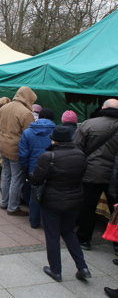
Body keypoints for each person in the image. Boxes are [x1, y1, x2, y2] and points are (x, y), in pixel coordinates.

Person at [29, 126, 91, 282]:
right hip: (75, 200)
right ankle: (82, 267)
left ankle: (56, 270)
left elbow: (36, 178)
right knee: (69, 232)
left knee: (52, 235)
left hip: (52, 201)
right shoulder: (80, 154)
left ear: (54, 140)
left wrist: (29, 176)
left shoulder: (48, 156)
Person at [75, 98, 118, 251]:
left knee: (88, 207)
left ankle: (84, 238)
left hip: (92, 173)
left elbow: (77, 148)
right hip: (115, 176)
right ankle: (116, 243)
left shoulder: (89, 124)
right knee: (116, 209)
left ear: (103, 107)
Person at [0, 86, 37, 216]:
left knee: (6, 176)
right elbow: (29, 134)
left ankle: (4, 202)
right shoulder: (26, 113)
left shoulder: (3, 108)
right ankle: (12, 207)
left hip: (3, 146)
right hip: (16, 150)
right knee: (16, 179)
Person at [19, 108, 55, 228]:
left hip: (34, 168)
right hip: (53, 167)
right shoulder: (57, 132)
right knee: (52, 195)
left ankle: (34, 221)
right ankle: (50, 222)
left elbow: (23, 153)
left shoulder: (28, 132)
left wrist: (25, 167)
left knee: (35, 195)